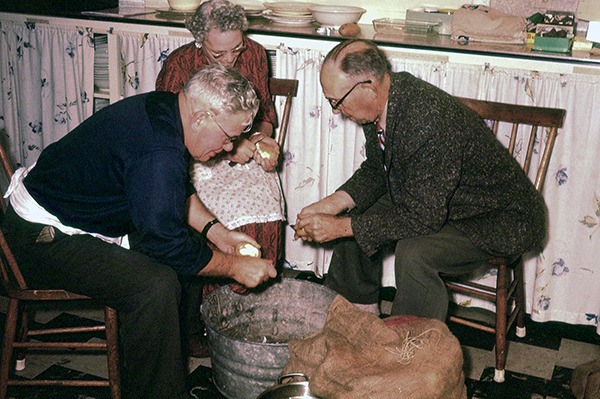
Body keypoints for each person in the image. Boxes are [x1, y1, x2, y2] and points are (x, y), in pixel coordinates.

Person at [2, 64, 278, 399]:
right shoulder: (158, 149)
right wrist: (236, 267)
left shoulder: (165, 108)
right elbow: (164, 242)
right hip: (36, 240)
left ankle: (172, 351)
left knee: (189, 251)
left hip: (76, 218)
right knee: (154, 286)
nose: (229, 147)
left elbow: (169, 190)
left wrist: (217, 233)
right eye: (229, 137)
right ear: (202, 117)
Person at [294, 39, 546, 321]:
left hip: (496, 217)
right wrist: (332, 205)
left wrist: (340, 227)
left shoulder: (427, 118)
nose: (335, 110)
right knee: (353, 217)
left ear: (368, 87)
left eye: (336, 101)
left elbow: (423, 218)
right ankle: (353, 322)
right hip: (440, 197)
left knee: (414, 253)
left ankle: (412, 352)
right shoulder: (380, 104)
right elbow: (378, 171)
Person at [156, 0, 285, 357]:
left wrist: (262, 141)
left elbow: (264, 114)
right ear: (199, 42)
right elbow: (171, 133)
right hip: (196, 158)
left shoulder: (256, 54)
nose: (230, 60)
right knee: (215, 215)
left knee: (263, 204)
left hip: (237, 145)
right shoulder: (180, 64)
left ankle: (241, 312)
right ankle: (197, 321)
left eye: (236, 49)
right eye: (218, 54)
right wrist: (230, 148)